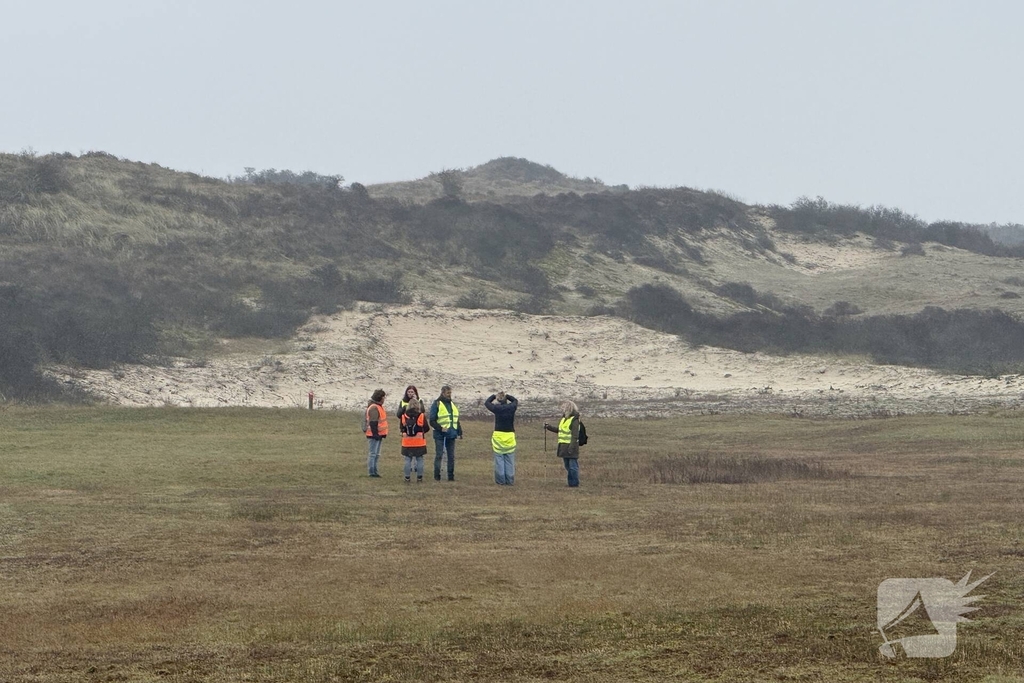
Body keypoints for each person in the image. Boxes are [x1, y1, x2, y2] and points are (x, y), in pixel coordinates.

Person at [428, 385, 462, 481]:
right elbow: (432, 420)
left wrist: (459, 431)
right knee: (439, 455)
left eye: (450, 393)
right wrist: (440, 428)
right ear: (442, 393)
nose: (449, 395)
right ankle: (437, 476)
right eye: (448, 393)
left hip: (451, 434)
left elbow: (456, 420)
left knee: (451, 456)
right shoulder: (436, 404)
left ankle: (451, 476)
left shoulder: (452, 405)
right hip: (439, 434)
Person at [544, 401, 581, 487]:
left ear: (569, 408)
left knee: (573, 467)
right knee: (567, 466)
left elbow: (575, 435)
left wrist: (571, 448)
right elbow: (560, 430)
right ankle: (571, 482)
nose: (562, 410)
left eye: (564, 408)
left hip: (571, 447)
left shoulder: (574, 420)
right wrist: (548, 427)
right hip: (563, 447)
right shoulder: (564, 419)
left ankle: (574, 483)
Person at [485, 390, 518, 485]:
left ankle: (500, 481)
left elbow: (487, 403)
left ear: (499, 401)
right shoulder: (512, 407)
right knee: (509, 459)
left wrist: (493, 396)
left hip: (499, 435)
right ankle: (510, 480)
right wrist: (507, 396)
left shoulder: (497, 408)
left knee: (499, 460)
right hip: (510, 435)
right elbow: (515, 400)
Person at [400, 399, 430, 483]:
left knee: (407, 460)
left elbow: (402, 428)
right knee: (419, 459)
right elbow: (427, 428)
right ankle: (419, 478)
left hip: (407, 442)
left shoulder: (404, 416)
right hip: (419, 442)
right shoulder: (421, 416)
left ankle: (407, 477)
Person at [364, 388, 388, 478]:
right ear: (380, 398)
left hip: (378, 434)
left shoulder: (377, 406)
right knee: (373, 454)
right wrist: (375, 434)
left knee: (376, 454)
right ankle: (372, 472)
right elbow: (373, 422)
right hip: (374, 435)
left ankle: (375, 471)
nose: (384, 399)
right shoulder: (374, 407)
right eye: (383, 397)